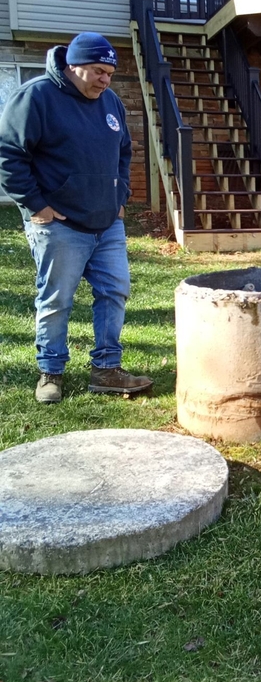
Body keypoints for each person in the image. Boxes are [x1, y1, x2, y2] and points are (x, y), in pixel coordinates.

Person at [0, 31, 153, 403]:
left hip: (107, 223)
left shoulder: (111, 102)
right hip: (60, 226)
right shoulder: (36, 97)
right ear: (73, 66)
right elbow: (9, 154)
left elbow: (124, 151)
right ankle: (50, 372)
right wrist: (36, 205)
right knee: (56, 300)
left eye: (110, 74)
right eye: (98, 71)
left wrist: (120, 197)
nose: (105, 80)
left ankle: (107, 369)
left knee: (114, 292)